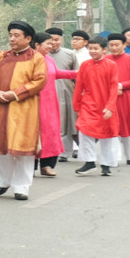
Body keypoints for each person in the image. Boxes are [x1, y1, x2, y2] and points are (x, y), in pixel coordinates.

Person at [0, 21, 47, 200]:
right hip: (0, 106)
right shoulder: (3, 56)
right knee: (0, 148)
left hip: (24, 109)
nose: (12, 39)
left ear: (28, 38)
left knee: (22, 149)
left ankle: (21, 187)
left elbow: (40, 81)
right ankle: (3, 182)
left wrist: (15, 93)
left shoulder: (36, 58)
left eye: (16, 35)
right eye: (10, 35)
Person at [71, 35, 120, 177]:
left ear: (104, 50)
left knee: (107, 135)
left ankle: (106, 164)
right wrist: (77, 105)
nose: (92, 51)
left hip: (106, 104)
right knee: (84, 130)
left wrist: (110, 106)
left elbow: (113, 87)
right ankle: (89, 161)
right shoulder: (85, 65)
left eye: (95, 48)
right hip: (88, 104)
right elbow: (79, 86)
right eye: (90, 48)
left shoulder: (111, 65)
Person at [35, 33, 78, 177]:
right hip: (34, 102)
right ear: (37, 45)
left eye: (53, 41)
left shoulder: (49, 59)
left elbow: (55, 73)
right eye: (48, 42)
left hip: (50, 103)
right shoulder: (29, 60)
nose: (51, 45)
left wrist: (77, 73)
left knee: (50, 133)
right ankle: (31, 165)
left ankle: (46, 165)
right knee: (34, 134)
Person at [106, 32, 130, 165]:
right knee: (111, 128)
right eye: (111, 45)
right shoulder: (106, 59)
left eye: (117, 45)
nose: (114, 48)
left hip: (127, 98)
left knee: (128, 128)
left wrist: (121, 85)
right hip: (110, 98)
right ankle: (114, 157)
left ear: (124, 45)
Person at [45, 28, 79, 160]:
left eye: (56, 39)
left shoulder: (70, 54)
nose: (53, 42)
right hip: (49, 94)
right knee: (56, 123)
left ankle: (66, 152)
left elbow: (76, 74)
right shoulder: (42, 56)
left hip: (67, 92)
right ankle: (55, 151)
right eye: (50, 40)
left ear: (61, 40)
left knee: (68, 123)